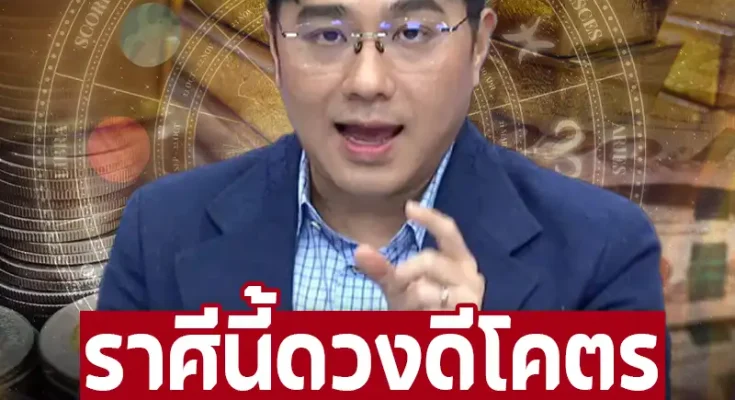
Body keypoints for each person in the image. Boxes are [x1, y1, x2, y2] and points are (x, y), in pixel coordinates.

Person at [98, 0, 669, 393]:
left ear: (478, 47)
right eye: (327, 34)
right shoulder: (159, 230)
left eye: (412, 33)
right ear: (274, 48)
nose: (367, 81)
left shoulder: (604, 255)